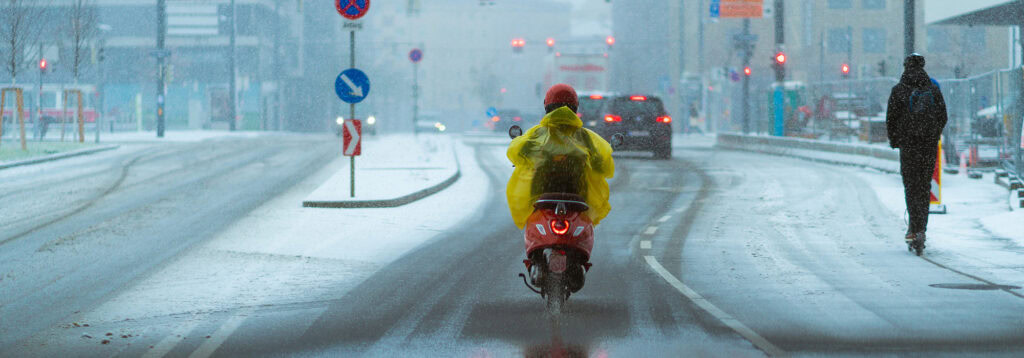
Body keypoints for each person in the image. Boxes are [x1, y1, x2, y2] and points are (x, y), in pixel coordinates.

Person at [506, 84, 615, 229]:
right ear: (575, 107)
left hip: (540, 199)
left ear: (547, 107)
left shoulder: (537, 134)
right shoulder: (586, 137)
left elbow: (516, 153)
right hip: (578, 200)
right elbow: (604, 166)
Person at [885, 53, 948, 251]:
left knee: (911, 186)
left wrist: (896, 140)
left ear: (905, 67)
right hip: (928, 146)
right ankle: (922, 230)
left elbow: (890, 119)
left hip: (909, 146)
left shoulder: (899, 90)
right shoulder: (932, 89)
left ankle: (913, 228)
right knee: (924, 186)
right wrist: (933, 135)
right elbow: (943, 116)